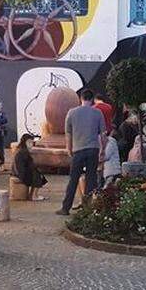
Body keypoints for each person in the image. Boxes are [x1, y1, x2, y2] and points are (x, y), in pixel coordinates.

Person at [57, 88, 106, 216]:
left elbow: (68, 133)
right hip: (93, 149)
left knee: (73, 179)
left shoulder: (71, 113)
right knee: (91, 180)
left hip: (77, 150)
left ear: (81, 99)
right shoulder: (98, 113)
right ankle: (88, 209)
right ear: (92, 99)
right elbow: (103, 135)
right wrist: (102, 150)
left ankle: (65, 208)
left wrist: (69, 148)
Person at [11, 133, 48, 200]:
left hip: (18, 172)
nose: (30, 144)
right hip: (20, 173)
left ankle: (32, 194)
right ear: (24, 142)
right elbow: (23, 166)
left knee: (37, 173)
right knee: (37, 175)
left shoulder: (21, 150)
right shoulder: (23, 151)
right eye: (29, 142)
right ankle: (34, 196)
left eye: (31, 142)